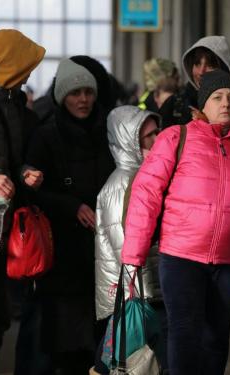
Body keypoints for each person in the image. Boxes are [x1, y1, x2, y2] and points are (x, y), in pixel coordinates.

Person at [121, 70, 230, 375]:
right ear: (202, 106)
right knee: (184, 336)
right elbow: (145, 196)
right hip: (181, 258)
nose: (226, 103)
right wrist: (133, 254)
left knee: (215, 340)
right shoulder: (176, 138)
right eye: (217, 97)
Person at [25, 58, 115, 374]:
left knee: (99, 335)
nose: (83, 100)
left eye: (88, 92)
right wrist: (71, 206)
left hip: (102, 251)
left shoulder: (109, 130)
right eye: (75, 93)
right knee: (65, 343)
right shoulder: (46, 134)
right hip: (62, 254)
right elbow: (33, 191)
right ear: (63, 96)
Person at [0, 29, 45, 375]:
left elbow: (8, 160)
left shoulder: (11, 100)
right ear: (7, 63)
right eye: (25, 65)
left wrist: (24, 171)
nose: (29, 73)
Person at [93, 105, 161, 374]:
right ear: (129, 141)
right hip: (135, 293)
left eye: (158, 132)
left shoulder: (141, 176)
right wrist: (148, 293)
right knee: (123, 358)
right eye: (149, 137)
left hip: (137, 292)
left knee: (122, 356)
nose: (158, 140)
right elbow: (127, 247)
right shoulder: (123, 183)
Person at [177, 35, 230, 133]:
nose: (201, 71)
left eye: (210, 65)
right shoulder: (177, 104)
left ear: (226, 68)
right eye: (197, 63)